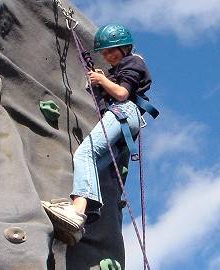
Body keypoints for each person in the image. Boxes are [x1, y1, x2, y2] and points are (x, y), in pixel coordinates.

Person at [42, 23, 153, 245]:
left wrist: (103, 81)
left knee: (84, 154)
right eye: (104, 52)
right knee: (92, 165)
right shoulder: (121, 68)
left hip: (123, 112)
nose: (108, 56)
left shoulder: (133, 61)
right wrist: (105, 80)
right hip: (125, 119)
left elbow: (122, 94)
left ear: (125, 47)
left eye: (111, 50)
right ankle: (78, 219)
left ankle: (76, 213)